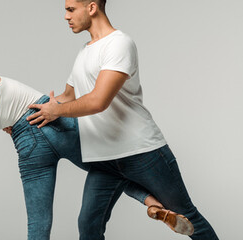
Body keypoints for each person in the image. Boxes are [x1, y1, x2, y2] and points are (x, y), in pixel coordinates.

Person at [0, 15, 190, 240]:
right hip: (50, 118)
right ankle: (152, 203)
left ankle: (152, 204)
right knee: (109, 167)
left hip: (28, 148)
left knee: (38, 227)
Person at [26, 0, 219, 239]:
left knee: (188, 216)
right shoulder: (85, 51)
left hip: (142, 152)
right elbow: (67, 97)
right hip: (105, 159)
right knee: (88, 226)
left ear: (92, 7)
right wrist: (25, 117)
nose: (66, 16)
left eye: (70, 9)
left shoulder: (119, 44)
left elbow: (98, 101)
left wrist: (56, 111)